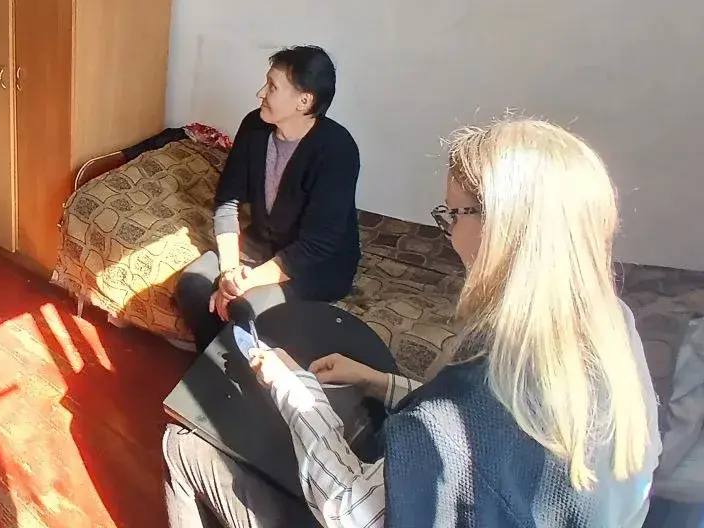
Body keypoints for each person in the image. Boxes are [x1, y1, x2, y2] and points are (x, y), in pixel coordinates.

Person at [163, 118, 661, 527]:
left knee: (182, 446)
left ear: (502, 228)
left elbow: (353, 511)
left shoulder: (474, 399)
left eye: (453, 215)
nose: (448, 234)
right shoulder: (615, 327)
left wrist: (296, 390)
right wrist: (379, 381)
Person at [176, 46, 361, 352]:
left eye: (272, 87)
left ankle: (236, 369)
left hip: (316, 265)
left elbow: (317, 245)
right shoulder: (255, 126)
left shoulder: (337, 149)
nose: (261, 93)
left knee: (250, 308)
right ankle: (215, 361)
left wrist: (243, 284)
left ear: (304, 101)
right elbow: (227, 200)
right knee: (193, 283)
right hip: (261, 245)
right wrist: (229, 272)